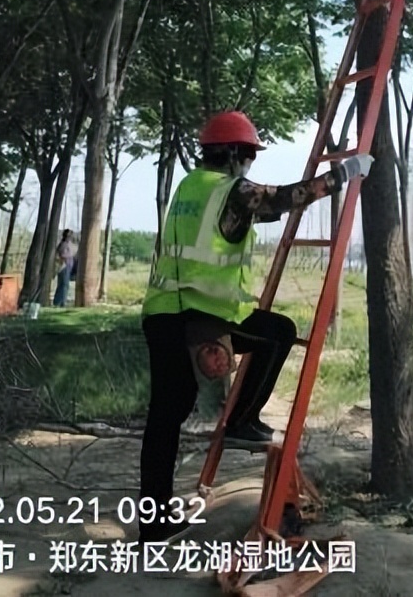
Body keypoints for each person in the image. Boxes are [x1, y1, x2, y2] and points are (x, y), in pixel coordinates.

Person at [139, 110, 373, 543]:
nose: (248, 165)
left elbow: (251, 214)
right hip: (203, 314)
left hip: (162, 312)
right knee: (279, 332)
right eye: (247, 156)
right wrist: (344, 173)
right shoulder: (233, 190)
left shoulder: (190, 188)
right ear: (232, 155)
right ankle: (243, 419)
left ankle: (153, 525)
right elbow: (280, 198)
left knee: (165, 417)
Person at [53, 229, 75, 307]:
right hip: (64, 265)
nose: (70, 237)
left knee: (64, 284)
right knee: (63, 284)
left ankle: (60, 301)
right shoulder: (63, 244)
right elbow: (61, 255)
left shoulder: (70, 244)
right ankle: (59, 302)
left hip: (69, 266)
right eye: (69, 235)